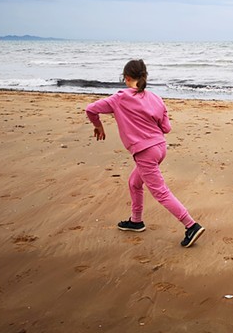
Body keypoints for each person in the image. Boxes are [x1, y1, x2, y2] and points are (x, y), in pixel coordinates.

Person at [85, 59, 205, 247]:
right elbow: (166, 128)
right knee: (134, 183)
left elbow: (91, 109)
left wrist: (98, 126)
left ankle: (191, 225)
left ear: (126, 78)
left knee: (161, 192)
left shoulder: (119, 98)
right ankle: (136, 221)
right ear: (144, 77)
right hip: (160, 148)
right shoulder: (156, 98)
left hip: (145, 152)